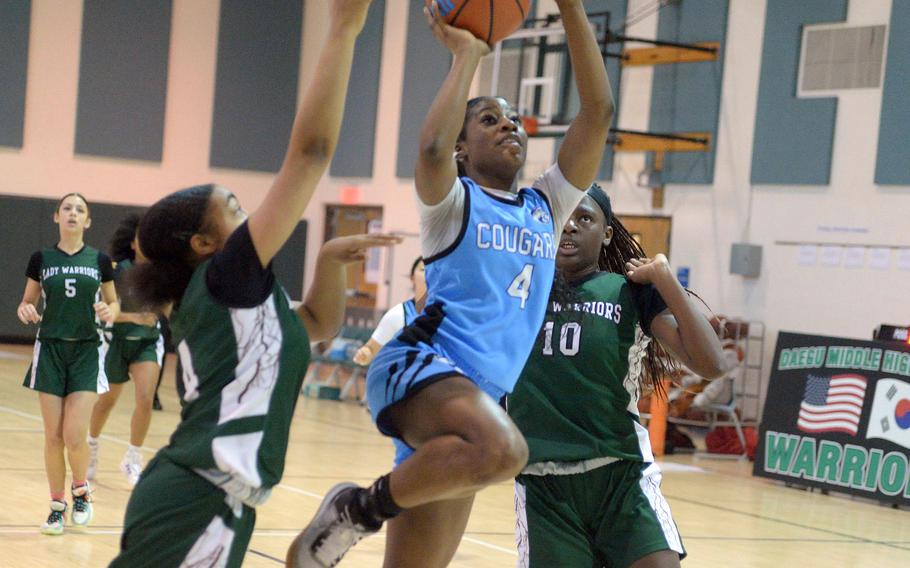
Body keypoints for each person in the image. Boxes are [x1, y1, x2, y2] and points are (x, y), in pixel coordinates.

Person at [290, 1, 614, 566]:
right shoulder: (454, 204)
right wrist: (468, 54)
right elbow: (432, 149)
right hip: (421, 368)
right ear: (465, 148)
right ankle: (356, 511)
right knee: (506, 449)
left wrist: (571, 7)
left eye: (513, 118)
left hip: (475, 403)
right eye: (490, 119)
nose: (508, 124)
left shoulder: (547, 206)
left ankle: (347, 521)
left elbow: (599, 110)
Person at [107, 2, 394, 566]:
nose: (250, 217)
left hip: (218, 501)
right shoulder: (223, 278)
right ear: (204, 244)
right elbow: (310, 153)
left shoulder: (235, 302)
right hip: (193, 497)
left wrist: (331, 263)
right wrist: (344, 28)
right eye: (234, 209)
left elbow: (315, 325)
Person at [508, 186, 728, 568]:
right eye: (561, 219)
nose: (571, 227)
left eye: (585, 218)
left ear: (606, 232)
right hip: (544, 483)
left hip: (621, 476)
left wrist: (665, 280)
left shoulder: (629, 292)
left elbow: (712, 365)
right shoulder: (516, 292)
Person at [17, 192, 120, 535]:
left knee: (75, 435)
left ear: (88, 221)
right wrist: (27, 310)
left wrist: (110, 311)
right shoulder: (41, 258)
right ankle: (56, 506)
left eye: (80, 210)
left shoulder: (100, 260)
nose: (73, 213)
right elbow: (26, 302)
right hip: (50, 351)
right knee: (53, 436)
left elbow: (113, 303)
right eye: (67, 208)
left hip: (87, 351)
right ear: (57, 217)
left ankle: (81, 491)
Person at [84, 213, 161, 486]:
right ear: (133, 243)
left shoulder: (161, 271)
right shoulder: (116, 270)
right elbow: (107, 312)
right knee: (106, 402)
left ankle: (133, 457)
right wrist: (134, 317)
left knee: (145, 397)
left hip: (147, 342)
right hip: (115, 341)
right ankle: (91, 447)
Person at [352, 257, 426, 367]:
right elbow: (371, 349)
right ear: (412, 278)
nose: (429, 273)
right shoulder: (399, 314)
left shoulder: (452, 316)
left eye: (435, 269)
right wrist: (365, 353)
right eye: (423, 269)